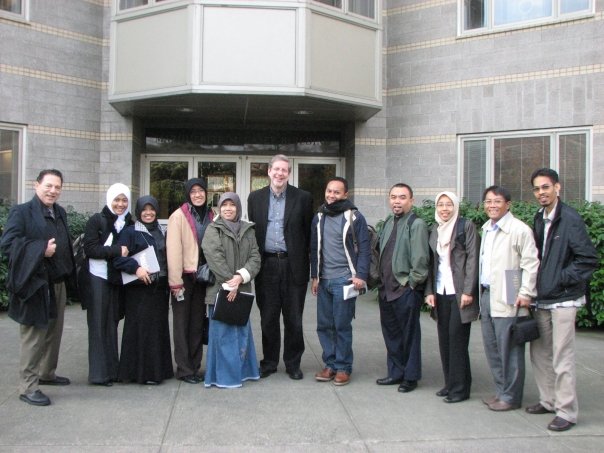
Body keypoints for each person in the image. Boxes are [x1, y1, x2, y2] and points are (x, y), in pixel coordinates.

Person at [525, 168, 597, 431]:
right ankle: (549, 401)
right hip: (542, 299)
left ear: (557, 187)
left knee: (562, 356)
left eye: (545, 187)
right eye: (536, 188)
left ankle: (566, 411)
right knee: (539, 353)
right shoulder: (539, 217)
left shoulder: (570, 218)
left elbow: (588, 259)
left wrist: (559, 278)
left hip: (564, 300)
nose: (541, 192)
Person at [0, 169, 76, 406]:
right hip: (35, 285)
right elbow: (8, 245)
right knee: (34, 336)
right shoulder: (22, 212)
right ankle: (28, 386)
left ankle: (46, 373)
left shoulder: (59, 212)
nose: (53, 191)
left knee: (54, 332)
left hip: (58, 283)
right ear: (36, 185)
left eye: (57, 187)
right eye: (48, 186)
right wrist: (41, 249)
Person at [247, 154, 313, 380]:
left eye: (284, 170)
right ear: (269, 171)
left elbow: (308, 234)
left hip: (293, 266)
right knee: (268, 317)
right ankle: (269, 362)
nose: (280, 173)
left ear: (289, 173)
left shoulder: (303, 198)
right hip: (266, 266)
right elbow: (254, 232)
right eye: (276, 169)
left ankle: (293, 363)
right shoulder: (255, 198)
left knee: (294, 318)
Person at [479, 185, 539, 411]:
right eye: (488, 201)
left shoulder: (519, 229)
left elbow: (530, 263)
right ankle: (500, 391)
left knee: (510, 349)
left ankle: (511, 397)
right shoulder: (487, 228)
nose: (492, 205)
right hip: (487, 293)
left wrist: (525, 292)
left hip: (509, 293)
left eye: (497, 201)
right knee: (492, 347)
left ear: (508, 204)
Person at [310, 177, 370, 386]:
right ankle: (330, 365)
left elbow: (364, 248)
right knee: (324, 325)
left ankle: (343, 367)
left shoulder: (354, 217)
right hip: (324, 281)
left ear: (345, 194)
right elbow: (314, 249)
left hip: (345, 280)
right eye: (329, 191)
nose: (332, 195)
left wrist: (360, 275)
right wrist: (315, 276)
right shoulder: (319, 216)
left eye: (337, 192)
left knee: (341, 326)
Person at [201, 192, 262, 388]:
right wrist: (230, 283)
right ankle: (224, 378)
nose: (228, 208)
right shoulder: (213, 229)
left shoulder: (248, 230)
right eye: (224, 205)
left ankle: (243, 373)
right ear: (219, 208)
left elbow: (255, 257)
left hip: (241, 289)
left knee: (241, 334)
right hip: (220, 291)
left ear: (238, 207)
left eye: (232, 205)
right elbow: (214, 257)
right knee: (223, 337)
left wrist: (241, 277)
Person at [424, 191, 479, 403]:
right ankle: (450, 384)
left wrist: (468, 291)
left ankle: (460, 389)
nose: (445, 209)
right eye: (441, 205)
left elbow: (473, 259)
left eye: (449, 204)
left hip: (459, 292)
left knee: (457, 340)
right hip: (441, 291)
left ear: (455, 206)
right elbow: (431, 263)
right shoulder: (435, 230)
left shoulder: (466, 226)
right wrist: (429, 291)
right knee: (445, 340)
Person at [113, 196, 174, 385]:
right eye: (144, 210)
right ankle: (141, 373)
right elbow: (118, 259)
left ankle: (158, 371)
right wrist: (136, 268)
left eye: (152, 209)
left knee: (157, 330)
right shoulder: (130, 232)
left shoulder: (161, 230)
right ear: (138, 212)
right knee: (140, 330)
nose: (148, 213)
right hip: (139, 290)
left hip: (160, 288)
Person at [376, 183, 429, 393]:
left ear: (411, 201)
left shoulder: (417, 224)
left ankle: (410, 376)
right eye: (393, 197)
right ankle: (396, 372)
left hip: (405, 290)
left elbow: (421, 259)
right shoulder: (389, 222)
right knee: (392, 335)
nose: (397, 201)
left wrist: (411, 283)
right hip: (386, 290)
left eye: (402, 197)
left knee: (409, 336)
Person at [82, 183, 132, 386]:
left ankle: (112, 370)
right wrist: (117, 250)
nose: (120, 204)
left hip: (117, 279)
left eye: (124, 200)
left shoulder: (129, 222)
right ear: (109, 199)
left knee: (111, 323)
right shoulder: (97, 220)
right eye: (116, 200)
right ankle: (98, 374)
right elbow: (90, 249)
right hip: (98, 278)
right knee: (98, 325)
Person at [166, 177, 214, 384]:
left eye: (200, 190)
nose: (197, 194)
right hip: (184, 278)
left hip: (203, 277)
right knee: (181, 324)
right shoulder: (178, 216)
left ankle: (195, 366)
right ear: (188, 194)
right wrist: (175, 282)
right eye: (193, 191)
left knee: (197, 324)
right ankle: (184, 369)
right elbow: (173, 251)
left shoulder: (212, 215)